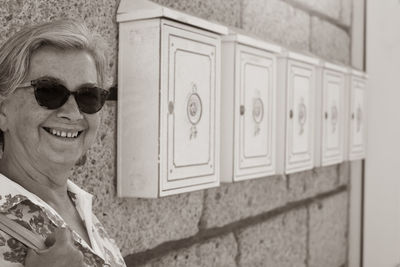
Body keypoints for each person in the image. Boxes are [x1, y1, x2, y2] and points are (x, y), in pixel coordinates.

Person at [0, 19, 126, 267]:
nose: (73, 113)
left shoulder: (78, 204)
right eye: (48, 92)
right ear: (3, 111)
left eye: (87, 96)